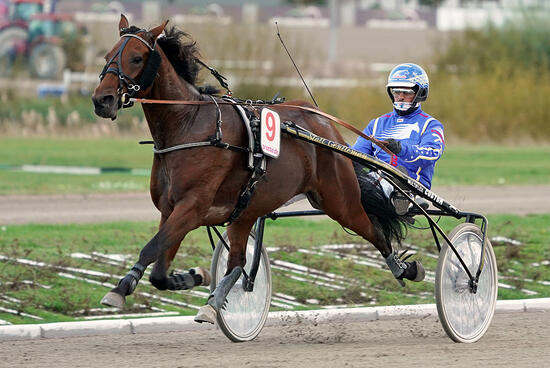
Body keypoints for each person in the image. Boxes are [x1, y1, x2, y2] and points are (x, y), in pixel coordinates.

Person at [352, 63, 445, 215]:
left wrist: (401, 149)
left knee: (393, 177)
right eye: (396, 91)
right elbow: (356, 156)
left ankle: (404, 196)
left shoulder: (430, 124)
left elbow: (432, 153)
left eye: (406, 92)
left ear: (419, 93)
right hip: (377, 179)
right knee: (348, 180)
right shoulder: (376, 124)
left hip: (413, 183)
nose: (400, 96)